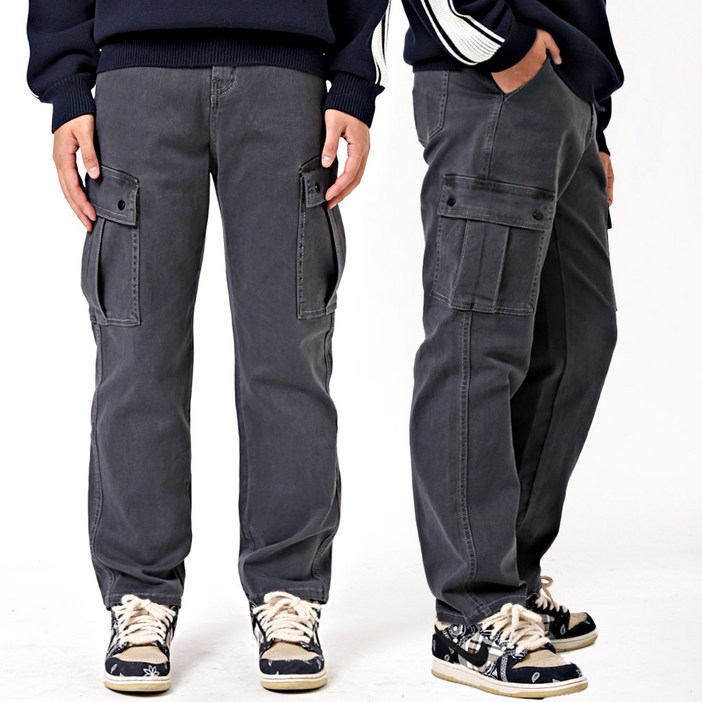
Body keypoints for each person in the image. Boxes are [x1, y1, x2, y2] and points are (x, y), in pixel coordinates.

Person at [27, 1, 390, 693]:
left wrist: (353, 81)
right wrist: (67, 85)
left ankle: (289, 593)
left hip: (287, 82)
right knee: (137, 359)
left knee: (288, 357)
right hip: (136, 84)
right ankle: (140, 596)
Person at [401, 0, 623, 697]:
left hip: (566, 93)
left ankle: (513, 580)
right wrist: (500, 42)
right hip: (490, 79)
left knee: (581, 339)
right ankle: (471, 608)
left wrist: (592, 116)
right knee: (476, 343)